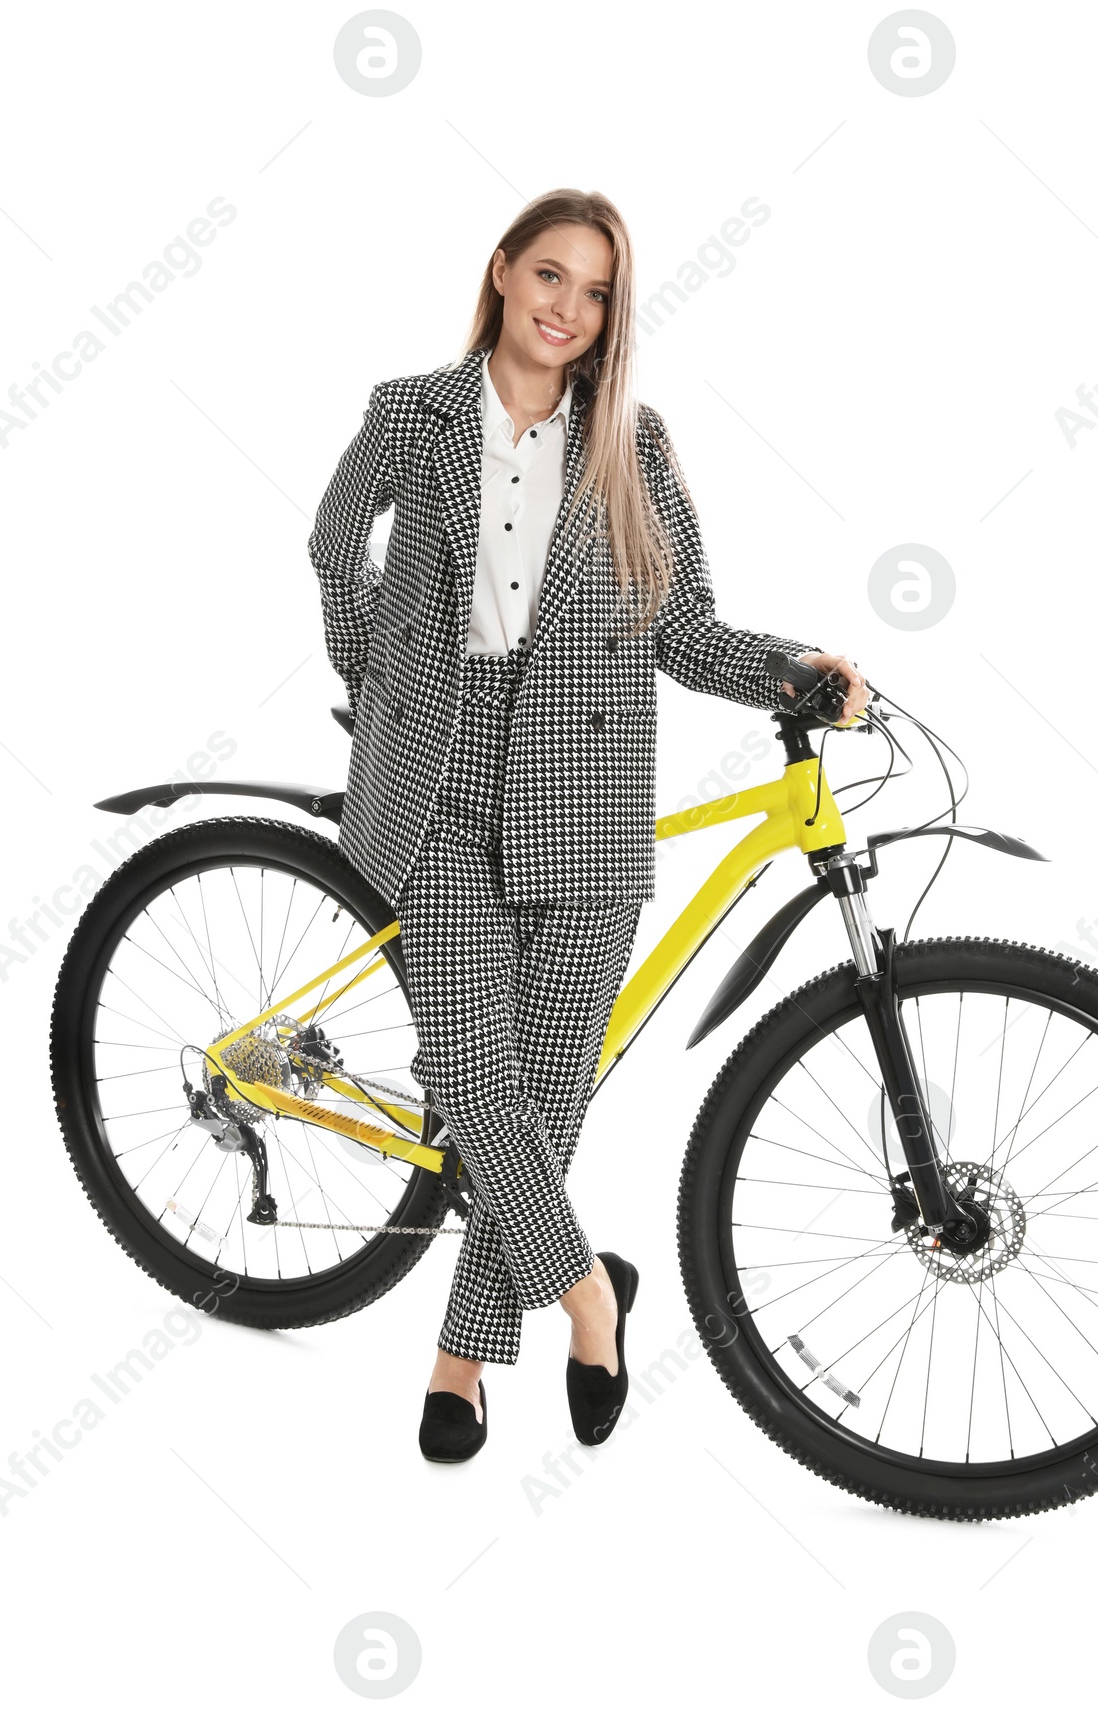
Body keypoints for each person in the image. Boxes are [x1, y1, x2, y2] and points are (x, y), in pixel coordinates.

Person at [308, 188, 868, 1463]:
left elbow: (678, 630)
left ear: (612, 312)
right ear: (502, 273)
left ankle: (457, 1358)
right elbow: (335, 541)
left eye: (596, 290)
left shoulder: (634, 441)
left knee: (544, 1102)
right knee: (466, 1078)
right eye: (549, 275)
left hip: (587, 800)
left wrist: (790, 668)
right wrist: (371, 672)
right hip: (439, 772)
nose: (568, 308)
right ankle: (589, 1297)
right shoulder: (412, 411)